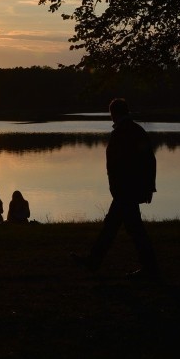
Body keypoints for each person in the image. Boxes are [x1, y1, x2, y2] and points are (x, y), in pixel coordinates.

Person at [72, 98, 160, 282]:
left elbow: (144, 161)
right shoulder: (135, 130)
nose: (111, 117)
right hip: (126, 190)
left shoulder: (125, 131)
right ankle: (95, 261)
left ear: (114, 113)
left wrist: (147, 187)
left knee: (123, 228)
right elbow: (150, 160)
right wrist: (148, 187)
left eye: (111, 114)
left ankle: (148, 267)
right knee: (118, 227)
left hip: (125, 190)